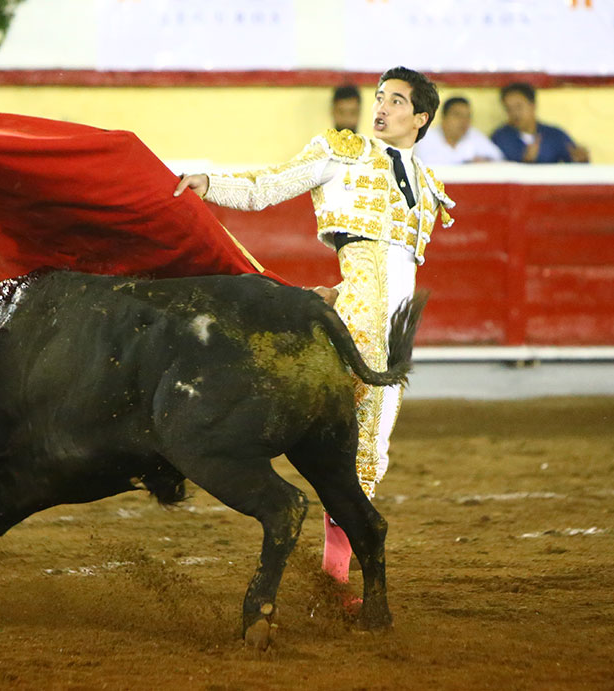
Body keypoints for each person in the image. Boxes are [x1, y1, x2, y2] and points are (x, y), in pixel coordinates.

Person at [174, 66, 454, 588]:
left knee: (369, 456)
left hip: (390, 332)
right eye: (379, 97)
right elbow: (268, 186)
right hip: (358, 326)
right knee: (347, 445)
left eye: (395, 100)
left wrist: (344, 294)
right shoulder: (344, 152)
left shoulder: (429, 184)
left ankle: (335, 580)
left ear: (420, 118)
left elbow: (396, 271)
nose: (381, 107)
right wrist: (210, 184)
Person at [491, 82, 590, 163]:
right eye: (508, 109)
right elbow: (495, 172)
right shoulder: (500, 138)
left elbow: (576, 169)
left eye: (519, 107)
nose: (514, 113)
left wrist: (582, 161)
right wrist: (525, 163)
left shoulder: (555, 135)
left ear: (533, 106)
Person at [415, 96, 504, 164]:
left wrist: (484, 161)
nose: (463, 121)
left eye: (467, 116)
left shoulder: (474, 135)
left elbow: (499, 159)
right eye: (457, 115)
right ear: (444, 117)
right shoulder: (425, 137)